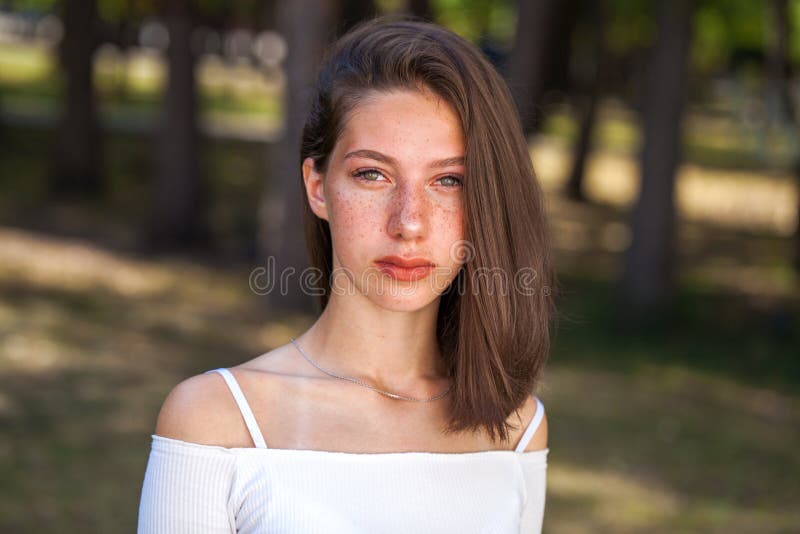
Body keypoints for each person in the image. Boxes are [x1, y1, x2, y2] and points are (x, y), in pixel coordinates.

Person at [137, 13, 558, 534]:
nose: (409, 222)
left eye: (448, 180)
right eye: (373, 174)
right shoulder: (218, 420)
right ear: (317, 186)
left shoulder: (517, 427)